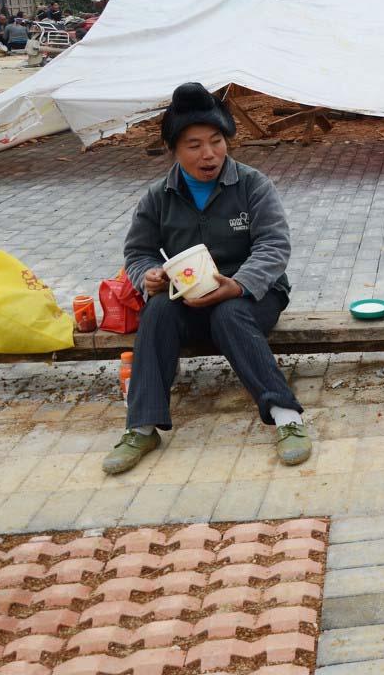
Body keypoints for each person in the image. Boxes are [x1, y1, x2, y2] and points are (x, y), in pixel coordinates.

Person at [104, 82, 308, 474]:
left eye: (216, 141)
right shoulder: (158, 196)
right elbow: (138, 251)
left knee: (229, 313)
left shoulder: (251, 185)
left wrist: (240, 283)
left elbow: (274, 245)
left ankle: (287, 416)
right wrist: (146, 275)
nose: (209, 153)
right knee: (158, 311)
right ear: (175, 150)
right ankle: (142, 427)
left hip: (253, 295)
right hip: (189, 297)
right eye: (194, 145)